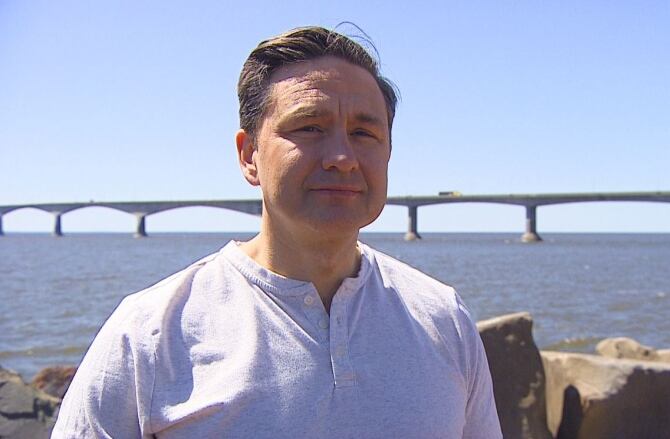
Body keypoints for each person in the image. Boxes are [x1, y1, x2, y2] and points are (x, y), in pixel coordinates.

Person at [52, 26, 502, 438]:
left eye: (364, 132)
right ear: (249, 155)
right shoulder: (149, 333)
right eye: (310, 127)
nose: (342, 157)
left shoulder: (445, 318)